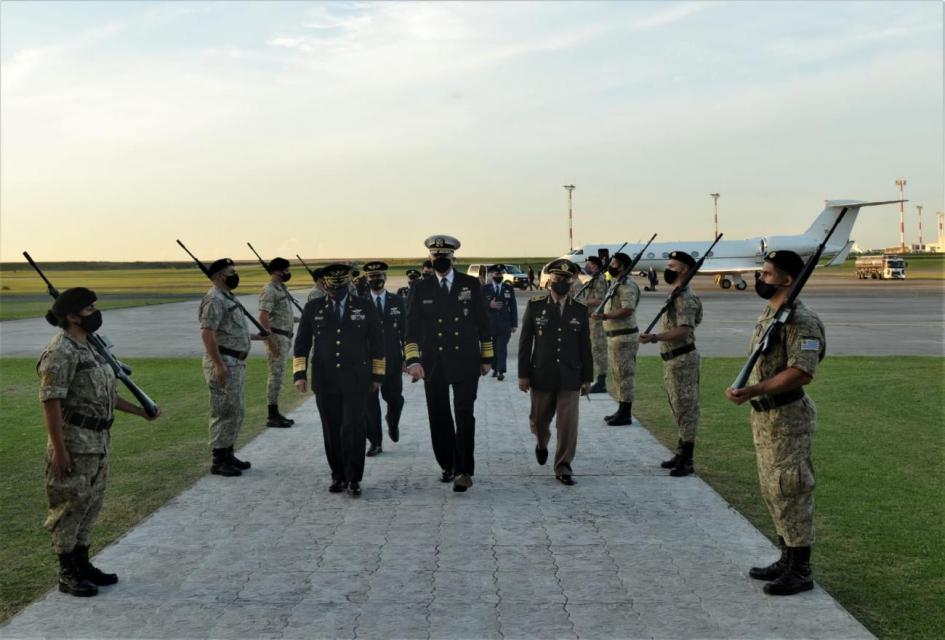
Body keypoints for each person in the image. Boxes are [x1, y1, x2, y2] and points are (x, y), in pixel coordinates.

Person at [38, 287, 162, 597]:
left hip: (99, 439)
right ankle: (67, 572)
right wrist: (60, 451)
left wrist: (140, 411)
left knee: (91, 503)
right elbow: (51, 403)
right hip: (74, 442)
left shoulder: (90, 348)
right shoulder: (60, 352)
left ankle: (83, 563)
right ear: (71, 316)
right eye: (89, 309)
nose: (95, 313)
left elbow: (106, 393)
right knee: (69, 506)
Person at [725, 250, 826, 596]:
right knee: (772, 489)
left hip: (788, 418)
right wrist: (747, 390)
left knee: (791, 487)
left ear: (786, 279)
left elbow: (801, 371)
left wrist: (754, 388)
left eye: (767, 274)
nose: (760, 279)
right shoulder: (773, 315)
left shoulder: (801, 319)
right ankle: (786, 556)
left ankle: (801, 569)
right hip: (765, 417)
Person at [404, 235, 492, 492]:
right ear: (430, 259)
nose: (441, 260)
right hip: (434, 362)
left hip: (465, 360)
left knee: (465, 414)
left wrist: (487, 357)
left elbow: (482, 321)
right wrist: (413, 360)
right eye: (436, 257)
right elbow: (411, 327)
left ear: (454, 258)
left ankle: (464, 469)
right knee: (439, 416)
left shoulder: (470, 284)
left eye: (445, 256)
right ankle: (448, 464)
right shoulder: (421, 288)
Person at [294, 263, 385, 497]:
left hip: (357, 379)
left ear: (348, 284)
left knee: (353, 428)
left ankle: (354, 478)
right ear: (325, 285)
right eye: (331, 286)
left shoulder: (364, 306)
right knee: (331, 430)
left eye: (341, 285)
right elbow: (302, 343)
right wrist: (299, 374)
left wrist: (377, 375)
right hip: (325, 380)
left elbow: (377, 341)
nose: (336, 290)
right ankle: (338, 475)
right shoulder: (313, 307)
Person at [517, 260, 593, 485]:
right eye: (557, 279)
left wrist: (587, 377)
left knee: (567, 425)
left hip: (571, 375)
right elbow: (524, 343)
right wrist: (523, 375)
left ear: (572, 282)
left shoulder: (579, 309)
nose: (560, 284)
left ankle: (563, 466)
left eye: (565, 280)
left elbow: (585, 346)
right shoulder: (535, 305)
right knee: (539, 421)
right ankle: (542, 443)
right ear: (549, 280)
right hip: (541, 374)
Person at [640, 251, 703, 476]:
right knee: (678, 407)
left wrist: (655, 337)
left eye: (672, 266)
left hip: (683, 359)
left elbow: (684, 330)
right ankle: (680, 452)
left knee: (686, 409)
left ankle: (687, 458)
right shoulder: (677, 293)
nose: (668, 269)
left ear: (684, 269)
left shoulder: (685, 297)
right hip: (673, 360)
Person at [199, 258, 256, 477]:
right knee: (223, 410)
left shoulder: (227, 297)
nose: (234, 275)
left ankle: (228, 452)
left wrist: (255, 337)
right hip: (224, 362)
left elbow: (229, 331)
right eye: (230, 272)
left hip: (235, 362)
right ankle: (218, 460)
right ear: (219, 277)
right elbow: (207, 333)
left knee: (235, 410)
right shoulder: (214, 299)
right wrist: (218, 364)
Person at [591, 252, 640, 426]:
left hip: (625, 336)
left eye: (614, 263)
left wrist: (604, 316)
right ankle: (621, 409)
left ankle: (625, 413)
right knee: (618, 375)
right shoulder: (615, 283)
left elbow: (628, 309)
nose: (610, 266)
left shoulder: (627, 285)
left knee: (625, 376)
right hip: (615, 336)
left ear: (622, 267)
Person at [363, 261, 406, 457]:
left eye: (379, 275)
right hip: (367, 364)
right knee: (370, 405)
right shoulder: (359, 302)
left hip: (393, 361)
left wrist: (410, 358)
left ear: (386, 278)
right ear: (366, 278)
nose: (376, 279)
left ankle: (392, 420)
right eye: (372, 276)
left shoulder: (397, 301)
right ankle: (375, 442)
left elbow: (406, 332)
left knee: (395, 399)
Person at [258, 256, 297, 429]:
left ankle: (275, 412)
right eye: (285, 270)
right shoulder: (270, 290)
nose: (288, 273)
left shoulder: (282, 288)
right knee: (275, 376)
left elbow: (284, 315)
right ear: (276, 272)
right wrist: (270, 339)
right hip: (277, 338)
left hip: (285, 337)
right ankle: (272, 415)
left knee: (279, 376)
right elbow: (263, 316)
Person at [574, 256, 608, 393]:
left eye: (590, 265)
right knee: (592, 350)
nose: (587, 267)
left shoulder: (600, 280)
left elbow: (600, 300)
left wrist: (582, 303)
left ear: (596, 266)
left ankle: (601, 382)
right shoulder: (593, 279)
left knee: (599, 350)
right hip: (590, 319)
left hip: (597, 320)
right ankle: (594, 379)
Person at [484, 264, 518, 381]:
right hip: (489, 324)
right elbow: (478, 305)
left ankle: (501, 371)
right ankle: (495, 367)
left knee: (501, 348)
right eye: (496, 274)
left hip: (504, 324)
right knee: (493, 348)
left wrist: (514, 324)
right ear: (492, 275)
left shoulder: (508, 288)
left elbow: (513, 306)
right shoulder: (485, 289)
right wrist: (489, 304)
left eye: (500, 274)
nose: (499, 276)